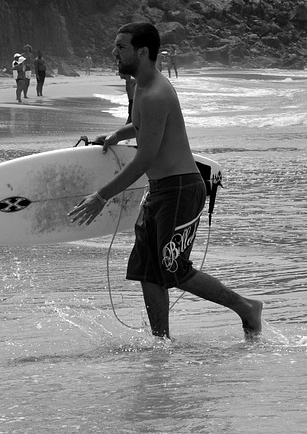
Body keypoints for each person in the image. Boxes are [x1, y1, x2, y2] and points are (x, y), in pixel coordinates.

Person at [68, 21, 263, 340]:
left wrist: (101, 196)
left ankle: (246, 308)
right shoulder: (138, 86)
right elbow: (143, 125)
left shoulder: (156, 92)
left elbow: (145, 157)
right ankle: (162, 341)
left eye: (121, 47)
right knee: (148, 268)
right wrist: (120, 132)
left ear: (142, 52)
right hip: (158, 190)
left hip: (181, 190)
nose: (113, 52)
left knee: (173, 267)